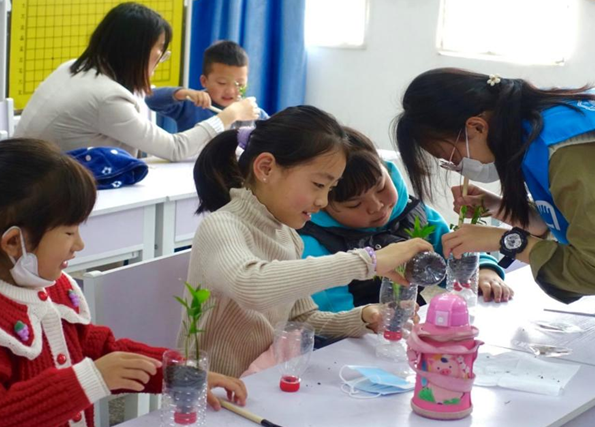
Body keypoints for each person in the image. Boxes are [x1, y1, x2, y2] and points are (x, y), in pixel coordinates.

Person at [393, 67, 595, 427]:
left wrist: (503, 240)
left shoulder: (570, 145)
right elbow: (580, 217)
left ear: (476, 127)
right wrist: (502, 208)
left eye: (449, 155)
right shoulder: (551, 120)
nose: (455, 166)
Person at [0, 139, 246, 427]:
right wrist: (89, 380)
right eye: (69, 232)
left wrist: (177, 372)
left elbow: (98, 348)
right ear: (14, 242)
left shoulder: (49, 284)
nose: (79, 244)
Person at [182, 106, 432, 377]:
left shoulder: (287, 235)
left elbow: (302, 319)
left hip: (262, 384)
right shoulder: (221, 226)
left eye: (331, 189)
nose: (323, 201)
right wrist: (368, 261)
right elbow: (251, 285)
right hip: (212, 391)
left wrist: (363, 317)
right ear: (266, 168)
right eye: (318, 185)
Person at [299, 127, 512, 313]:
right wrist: (368, 322)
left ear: (386, 169)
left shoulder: (411, 212)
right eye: (354, 204)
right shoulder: (314, 243)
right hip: (353, 332)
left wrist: (484, 271)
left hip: (406, 319)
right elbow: (332, 315)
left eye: (381, 188)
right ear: (322, 202)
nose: (376, 206)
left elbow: (453, 250)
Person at [16, 3, 258, 161]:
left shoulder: (73, 67)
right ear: (136, 51)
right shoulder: (108, 99)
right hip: (46, 192)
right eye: (160, 49)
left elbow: (145, 96)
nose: (162, 58)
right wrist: (229, 115)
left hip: (27, 174)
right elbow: (176, 149)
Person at [146, 40, 270, 133]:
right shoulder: (192, 104)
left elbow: (275, 134)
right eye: (222, 83)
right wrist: (183, 93)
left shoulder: (252, 112)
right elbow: (149, 99)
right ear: (204, 81)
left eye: (240, 84)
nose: (231, 91)